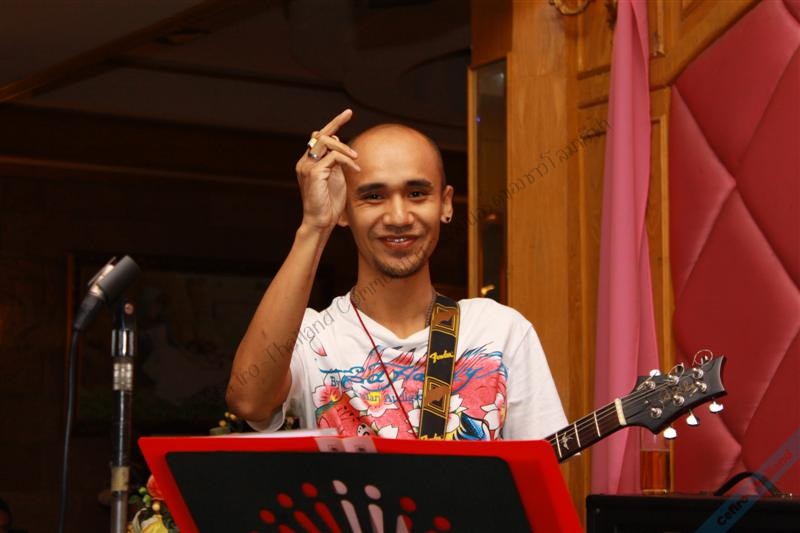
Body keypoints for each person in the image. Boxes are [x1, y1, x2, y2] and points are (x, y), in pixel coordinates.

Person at [226, 109, 566, 440]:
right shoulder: (315, 337)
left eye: (417, 194)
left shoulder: (500, 332)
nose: (399, 217)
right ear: (343, 209)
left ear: (446, 203)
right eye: (374, 196)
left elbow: (543, 470)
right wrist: (315, 226)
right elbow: (248, 402)